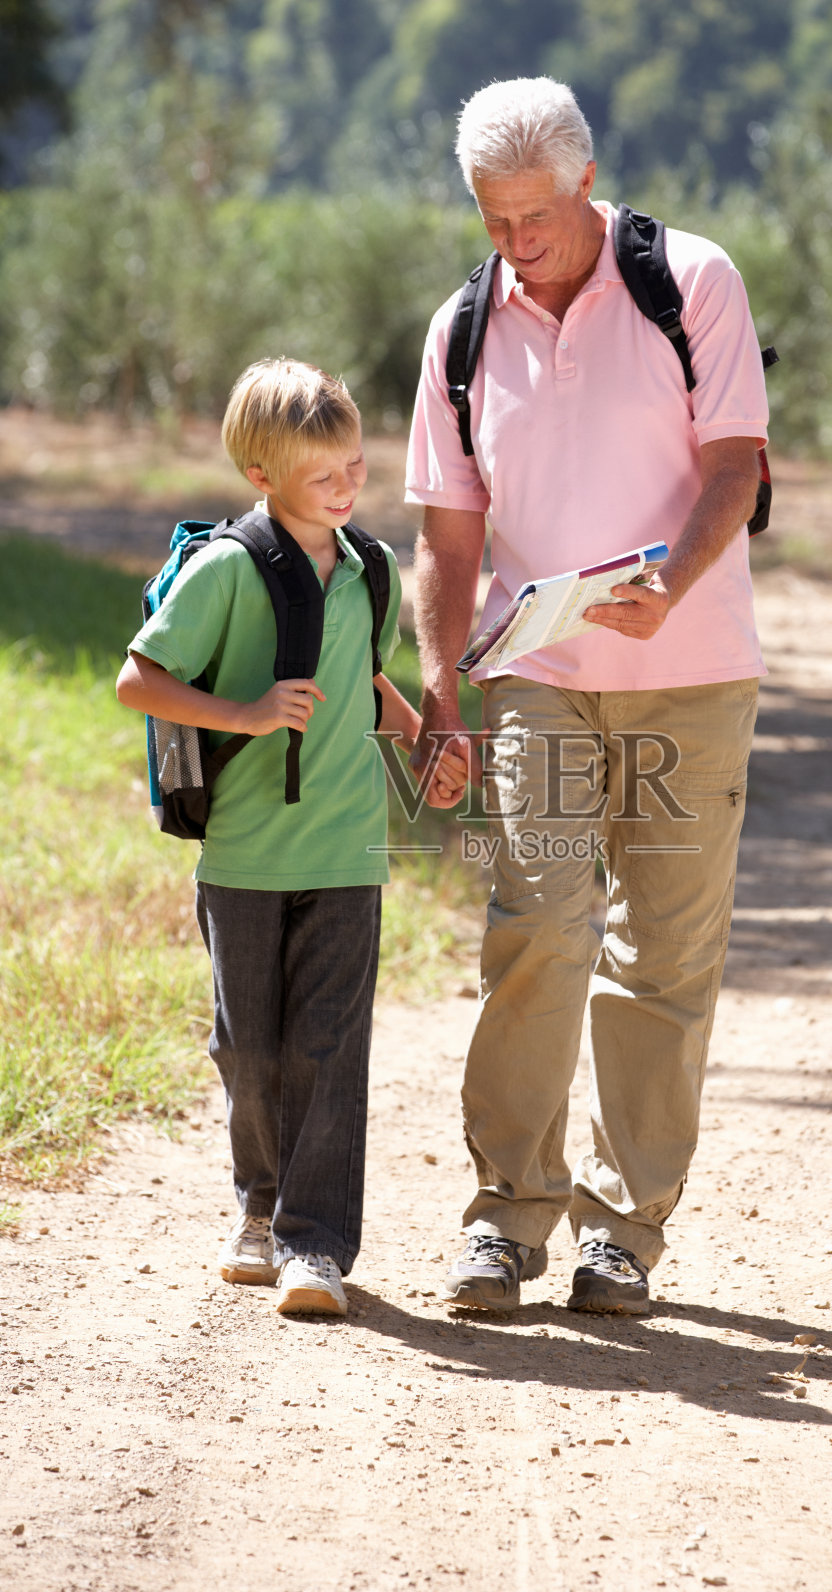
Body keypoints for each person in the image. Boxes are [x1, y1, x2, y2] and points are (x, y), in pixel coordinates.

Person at [406, 78, 769, 1315]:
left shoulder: (692, 282)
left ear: (583, 183)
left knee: (662, 953)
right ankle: (506, 1218)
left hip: (693, 667)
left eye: (535, 219)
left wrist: (668, 581)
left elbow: (735, 463)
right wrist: (440, 691)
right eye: (491, 219)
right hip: (538, 676)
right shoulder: (460, 331)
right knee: (541, 920)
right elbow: (447, 541)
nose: (514, 246)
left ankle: (623, 1231)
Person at [117, 358, 465, 1316]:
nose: (348, 486)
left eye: (355, 464)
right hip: (244, 854)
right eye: (325, 475)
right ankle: (257, 1215)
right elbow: (137, 681)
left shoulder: (373, 570)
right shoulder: (226, 569)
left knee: (329, 1044)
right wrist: (251, 711)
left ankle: (316, 1248)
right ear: (262, 474)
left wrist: (428, 738)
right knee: (249, 1048)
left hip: (350, 850)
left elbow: (362, 678)